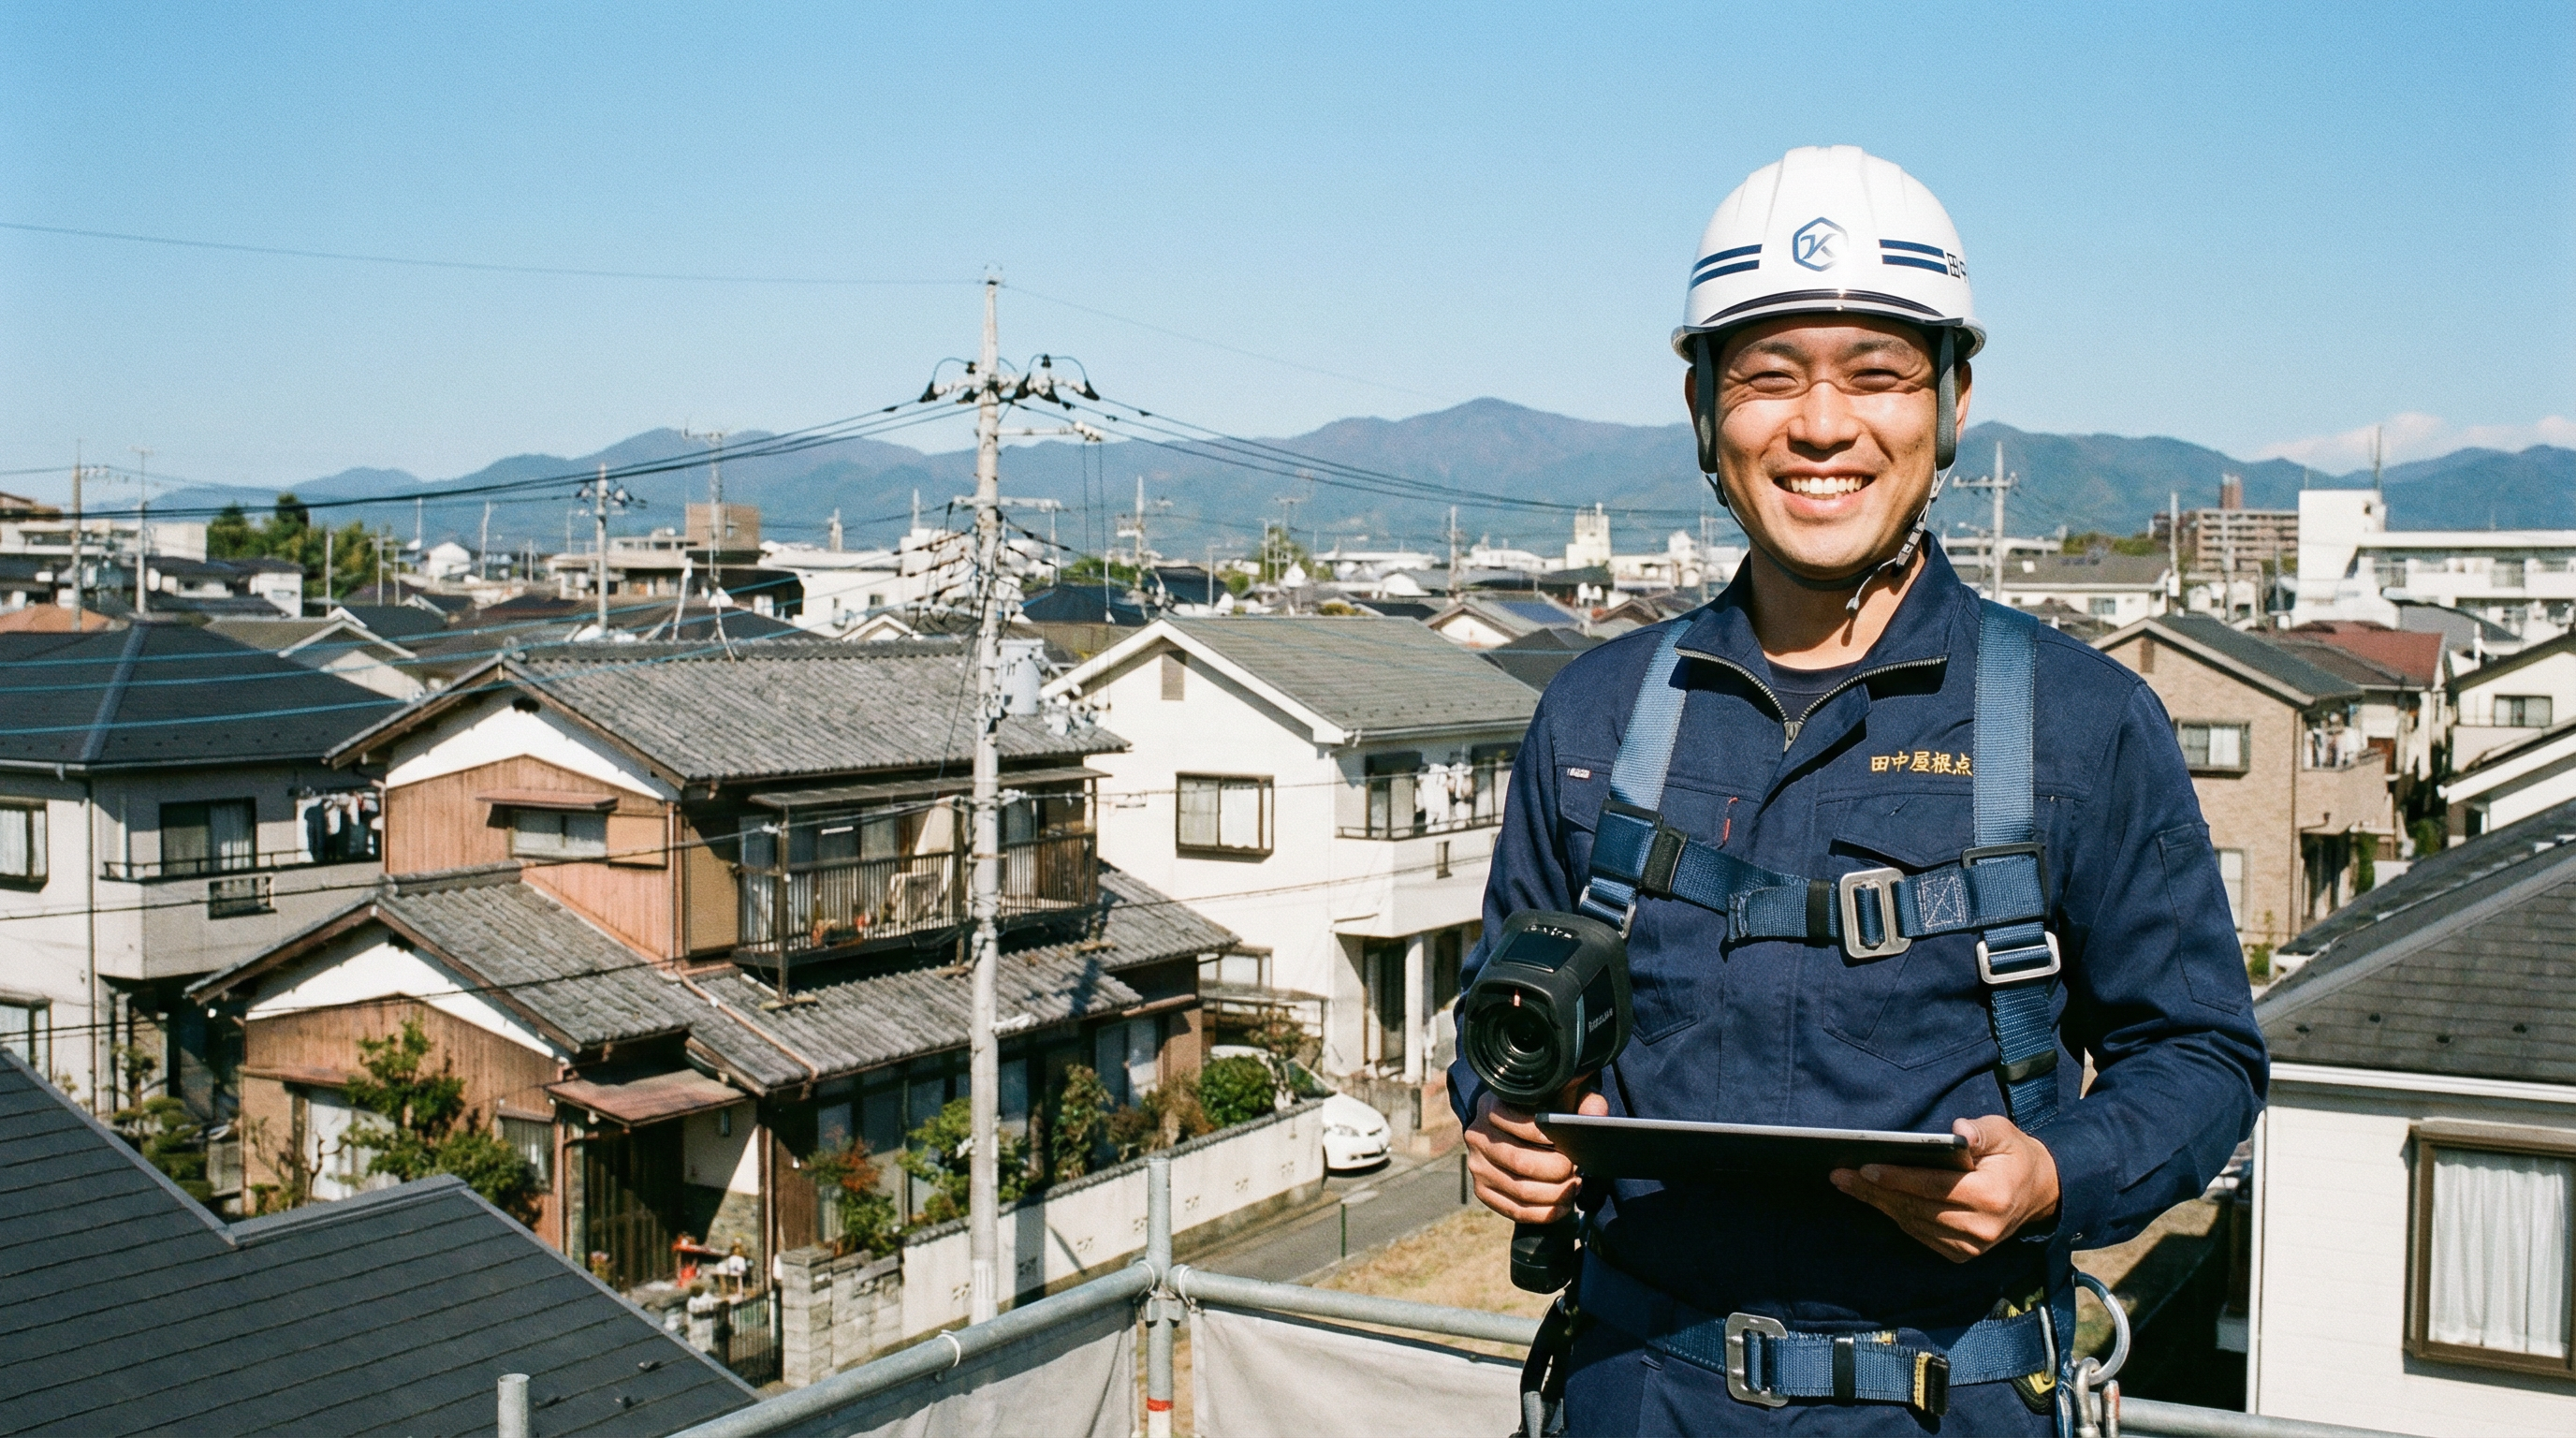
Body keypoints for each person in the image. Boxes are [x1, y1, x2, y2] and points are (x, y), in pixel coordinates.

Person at [1452, 146, 2266, 1434]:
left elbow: (2202, 1052)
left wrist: (2056, 1173)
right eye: (1768, 376)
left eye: (1878, 376)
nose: (1821, 425)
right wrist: (1506, 1116)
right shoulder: (1596, 717)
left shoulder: (2079, 719)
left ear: (1951, 404)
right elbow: (1502, 1005)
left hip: (1952, 1393)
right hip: (1637, 1383)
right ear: (1702, 407)